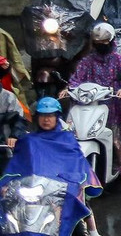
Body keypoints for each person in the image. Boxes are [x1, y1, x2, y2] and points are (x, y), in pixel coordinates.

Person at [3, 97, 102, 235]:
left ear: (57, 117)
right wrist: (6, 184)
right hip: (34, 188)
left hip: (61, 186)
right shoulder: (28, 140)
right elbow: (17, 165)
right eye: (43, 115)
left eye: (50, 116)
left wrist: (72, 181)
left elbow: (77, 165)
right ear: (37, 118)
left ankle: (92, 230)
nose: (46, 119)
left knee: (74, 199)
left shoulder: (68, 140)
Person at [67, 23, 121, 192]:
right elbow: (76, 80)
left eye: (105, 41)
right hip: (90, 107)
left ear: (112, 41)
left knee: (119, 139)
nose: (101, 45)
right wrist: (68, 89)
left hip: (114, 107)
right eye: (98, 42)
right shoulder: (87, 62)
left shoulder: (119, 60)